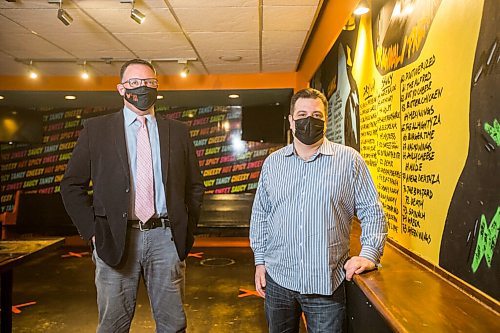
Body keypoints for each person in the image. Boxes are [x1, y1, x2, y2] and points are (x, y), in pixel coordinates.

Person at [61, 59, 204, 333]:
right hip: (115, 238)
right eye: (134, 83)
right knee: (113, 325)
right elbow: (71, 186)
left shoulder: (178, 132)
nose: (143, 88)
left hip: (166, 238)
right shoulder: (96, 130)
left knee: (173, 325)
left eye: (149, 83)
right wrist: (93, 232)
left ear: (157, 87)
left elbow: (194, 187)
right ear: (120, 89)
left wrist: (186, 230)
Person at [250, 88, 387, 333]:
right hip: (279, 279)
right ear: (291, 121)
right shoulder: (273, 164)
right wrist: (260, 261)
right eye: (302, 114)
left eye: (317, 115)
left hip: (326, 285)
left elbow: (372, 211)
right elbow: (261, 214)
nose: (309, 120)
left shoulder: (350, 161)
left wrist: (369, 254)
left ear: (325, 120)